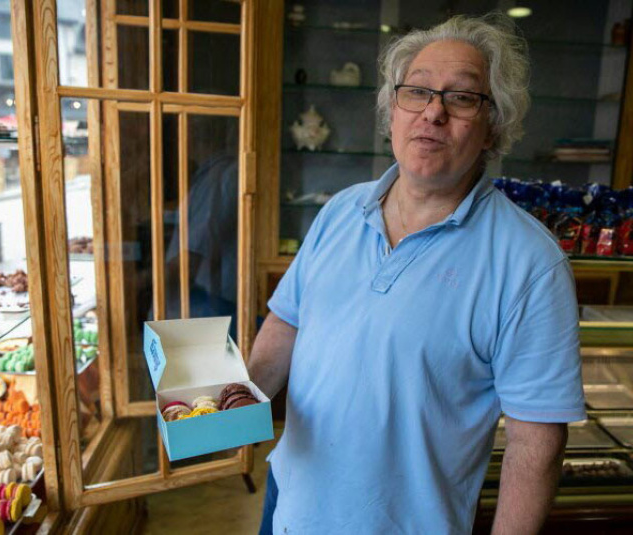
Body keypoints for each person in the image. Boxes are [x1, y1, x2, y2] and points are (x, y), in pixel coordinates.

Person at [248, 12, 586, 535]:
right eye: (417, 92)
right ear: (392, 111)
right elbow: (284, 325)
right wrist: (227, 408)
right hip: (290, 504)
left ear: (494, 125)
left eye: (462, 97)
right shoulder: (341, 210)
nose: (433, 113)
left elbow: (535, 444)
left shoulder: (530, 265)